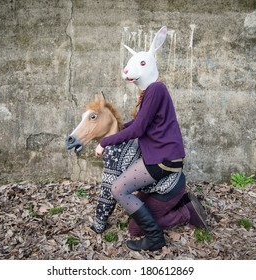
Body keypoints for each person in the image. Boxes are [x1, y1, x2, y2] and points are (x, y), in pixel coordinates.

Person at [95, 26, 207, 252]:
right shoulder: (150, 92)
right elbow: (139, 124)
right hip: (158, 157)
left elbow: (138, 129)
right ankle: (181, 204)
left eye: (142, 64)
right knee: (133, 218)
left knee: (119, 190)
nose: (131, 69)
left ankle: (161, 234)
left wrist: (105, 142)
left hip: (163, 160)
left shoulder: (156, 89)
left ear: (151, 66)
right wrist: (115, 129)